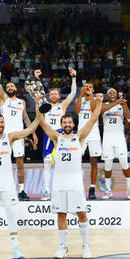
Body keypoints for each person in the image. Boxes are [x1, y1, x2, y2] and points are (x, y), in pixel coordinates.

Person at [36, 94, 104, 259]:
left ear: (73, 124)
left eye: (69, 122)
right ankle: (62, 247)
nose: (67, 124)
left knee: (81, 213)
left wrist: (100, 102)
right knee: (61, 215)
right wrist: (37, 102)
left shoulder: (79, 137)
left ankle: (86, 245)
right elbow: (42, 122)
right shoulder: (56, 138)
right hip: (59, 183)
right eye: (64, 122)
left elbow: (93, 119)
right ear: (61, 125)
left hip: (75, 183)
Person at [0, 113, 41, 259]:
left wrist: (39, 114)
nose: (0, 124)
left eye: (2, 122)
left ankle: (16, 248)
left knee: (10, 215)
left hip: (7, 184)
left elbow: (28, 130)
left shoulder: (10, 137)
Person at [0, 58, 37, 201]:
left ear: (16, 89)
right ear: (7, 89)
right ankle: (1, 191)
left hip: (18, 137)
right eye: (9, 86)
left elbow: (25, 118)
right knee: (2, 164)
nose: (10, 88)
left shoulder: (21, 102)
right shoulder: (3, 99)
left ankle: (22, 191)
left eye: (12, 86)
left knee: (20, 164)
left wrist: (33, 132)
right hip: (4, 137)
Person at [39, 68, 77, 200]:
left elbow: (73, 93)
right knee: (47, 165)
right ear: (49, 97)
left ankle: (62, 190)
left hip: (61, 137)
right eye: (52, 94)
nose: (54, 96)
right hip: (48, 136)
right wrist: (37, 79)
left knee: (63, 165)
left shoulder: (63, 106)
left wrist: (73, 77)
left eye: (56, 94)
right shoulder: (45, 106)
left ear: (59, 96)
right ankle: (46, 191)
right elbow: (36, 94)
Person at [100, 88, 130, 200]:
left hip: (119, 138)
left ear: (117, 95)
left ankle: (129, 188)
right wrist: (116, 102)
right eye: (110, 93)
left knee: (124, 163)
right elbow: (100, 110)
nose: (112, 94)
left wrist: (124, 105)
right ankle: (107, 189)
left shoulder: (121, 105)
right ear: (107, 95)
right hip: (107, 139)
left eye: (114, 93)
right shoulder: (103, 104)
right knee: (108, 165)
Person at [74, 82, 102, 199]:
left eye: (90, 87)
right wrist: (80, 95)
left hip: (94, 133)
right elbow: (76, 111)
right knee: (76, 161)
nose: (88, 88)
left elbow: (93, 110)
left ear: (93, 90)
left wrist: (90, 96)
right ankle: (77, 187)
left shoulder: (97, 100)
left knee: (94, 162)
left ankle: (92, 188)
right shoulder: (78, 99)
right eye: (86, 87)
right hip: (81, 133)